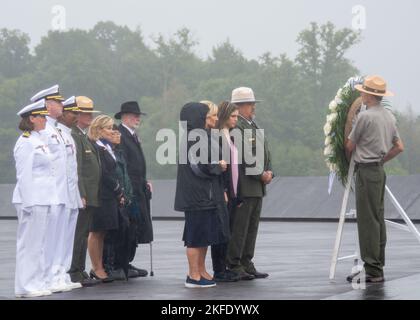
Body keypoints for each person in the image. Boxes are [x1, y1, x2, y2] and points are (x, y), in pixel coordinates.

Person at [345, 75, 404, 283]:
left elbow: (350, 145)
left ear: (369, 95)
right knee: (378, 218)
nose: (361, 93)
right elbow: (399, 147)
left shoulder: (365, 117)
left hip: (366, 172)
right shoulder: (389, 116)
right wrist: (382, 159)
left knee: (368, 221)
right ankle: (378, 264)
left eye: (363, 91)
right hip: (379, 170)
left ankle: (373, 269)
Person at [174, 102, 228, 288]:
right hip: (196, 196)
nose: (214, 119)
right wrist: (218, 166)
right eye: (209, 116)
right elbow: (198, 167)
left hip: (206, 195)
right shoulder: (193, 138)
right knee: (195, 237)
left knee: (204, 236)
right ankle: (193, 275)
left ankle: (202, 270)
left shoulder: (203, 136)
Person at [226, 87, 272, 280]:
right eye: (249, 104)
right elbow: (245, 156)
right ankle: (234, 263)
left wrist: (269, 170)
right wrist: (261, 174)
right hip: (246, 185)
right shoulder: (237, 127)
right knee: (240, 228)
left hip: (257, 186)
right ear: (239, 106)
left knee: (251, 228)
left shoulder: (251, 124)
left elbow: (265, 152)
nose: (253, 107)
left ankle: (246, 261)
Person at [30, 85, 73, 292]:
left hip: (62, 192)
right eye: (58, 101)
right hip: (48, 193)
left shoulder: (56, 129)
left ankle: (57, 274)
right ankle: (44, 277)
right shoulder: (43, 130)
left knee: (60, 238)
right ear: (46, 105)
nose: (62, 104)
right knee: (46, 239)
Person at [13, 100, 57, 298]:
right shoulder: (25, 142)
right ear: (32, 118)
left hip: (43, 198)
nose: (45, 120)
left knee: (39, 244)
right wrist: (28, 203)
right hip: (32, 199)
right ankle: (25, 285)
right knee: (29, 244)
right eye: (42, 117)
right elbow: (24, 175)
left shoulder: (38, 140)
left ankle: (36, 282)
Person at [115, 101, 153, 278]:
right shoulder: (120, 135)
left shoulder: (132, 135)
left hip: (138, 187)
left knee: (135, 227)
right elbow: (123, 165)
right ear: (124, 116)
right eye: (133, 115)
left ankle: (127, 262)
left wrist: (144, 181)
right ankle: (120, 263)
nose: (137, 118)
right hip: (129, 189)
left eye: (138, 115)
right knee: (127, 227)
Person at [68, 96, 101, 287]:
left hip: (90, 194)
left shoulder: (82, 135)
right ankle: (75, 271)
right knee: (79, 234)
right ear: (76, 115)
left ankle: (79, 269)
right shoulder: (75, 135)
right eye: (85, 113)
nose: (89, 117)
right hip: (84, 195)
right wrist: (81, 193)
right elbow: (77, 168)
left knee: (83, 233)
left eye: (90, 113)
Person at [87, 115, 122, 283]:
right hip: (101, 194)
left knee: (103, 231)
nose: (112, 131)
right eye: (108, 128)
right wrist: (117, 188)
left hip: (109, 195)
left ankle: (99, 265)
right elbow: (102, 172)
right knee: (96, 231)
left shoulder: (106, 147)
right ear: (98, 130)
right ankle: (96, 267)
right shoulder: (95, 147)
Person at [210, 101, 242, 282]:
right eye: (233, 116)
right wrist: (223, 189)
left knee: (227, 231)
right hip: (225, 191)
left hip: (233, 190)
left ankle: (223, 267)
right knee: (221, 231)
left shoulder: (229, 136)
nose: (236, 119)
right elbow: (220, 166)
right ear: (224, 116)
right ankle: (219, 269)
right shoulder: (218, 137)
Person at [103, 125, 134, 281]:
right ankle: (109, 267)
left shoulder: (118, 152)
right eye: (113, 132)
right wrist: (118, 191)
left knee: (124, 232)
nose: (117, 135)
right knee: (111, 234)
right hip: (112, 196)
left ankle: (122, 264)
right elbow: (108, 175)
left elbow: (125, 175)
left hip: (123, 195)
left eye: (118, 132)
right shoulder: (105, 151)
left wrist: (127, 194)